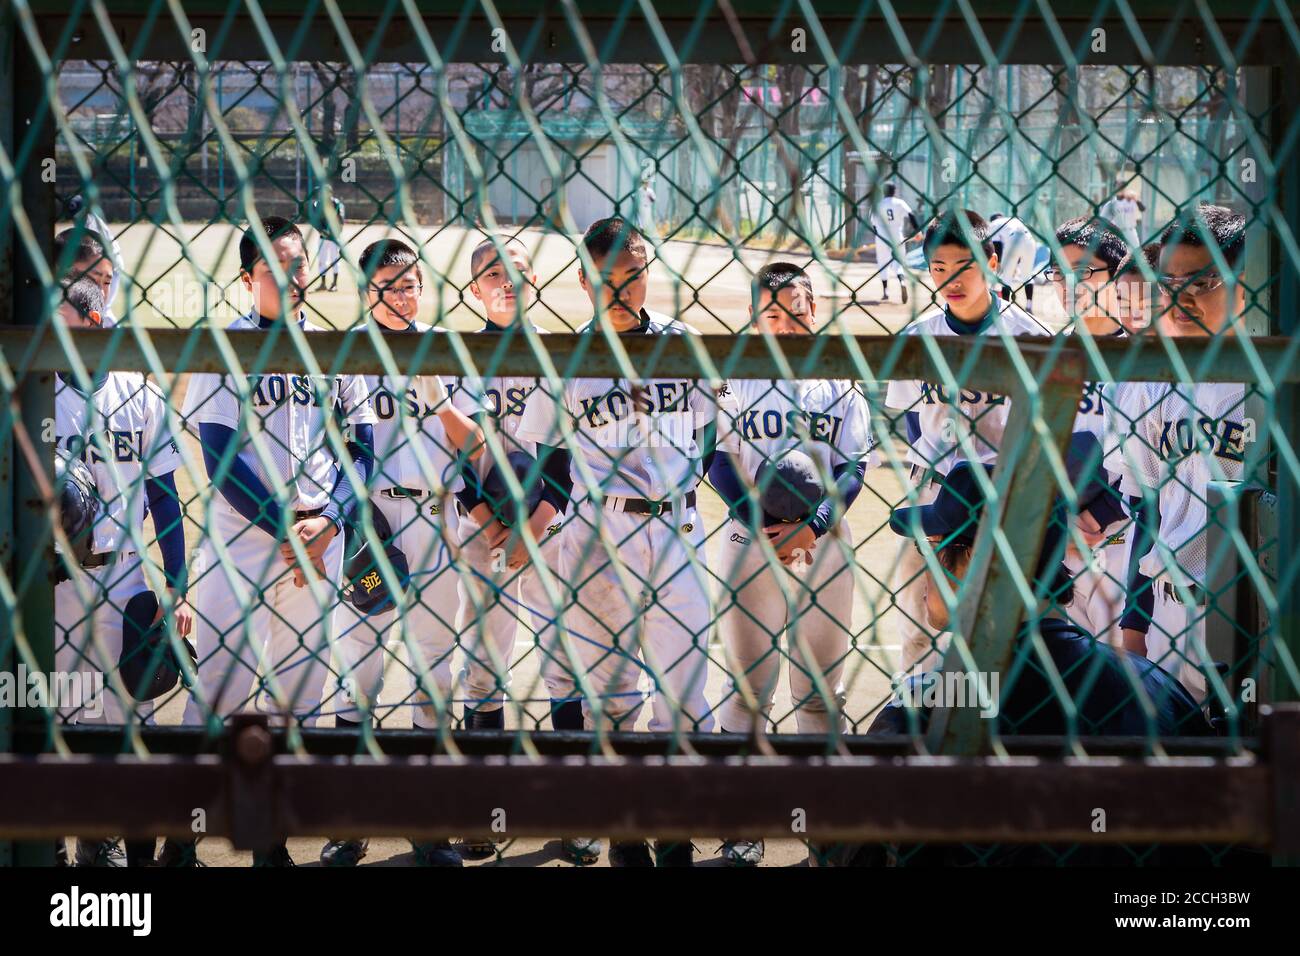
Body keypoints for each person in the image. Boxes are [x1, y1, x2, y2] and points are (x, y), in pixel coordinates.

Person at [514, 216, 716, 867]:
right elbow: (546, 457)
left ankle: (675, 832)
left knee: (684, 695)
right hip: (598, 536)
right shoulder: (568, 358)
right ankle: (628, 836)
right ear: (585, 279)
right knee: (613, 697)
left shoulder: (682, 343)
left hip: (679, 528)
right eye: (616, 274)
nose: (631, 284)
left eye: (640, 270)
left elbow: (710, 434)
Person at [179, 216, 376, 867]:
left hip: (322, 537)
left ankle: (271, 844)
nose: (293, 277)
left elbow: (362, 450)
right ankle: (180, 834)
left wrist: (331, 520)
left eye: (299, 263)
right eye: (275, 268)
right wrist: (287, 527)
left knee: (302, 698)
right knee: (220, 694)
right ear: (246, 279)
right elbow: (219, 456)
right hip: (241, 541)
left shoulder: (334, 347)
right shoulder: (224, 345)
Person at [320, 238, 484, 868]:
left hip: (437, 514)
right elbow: (333, 444)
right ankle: (348, 821)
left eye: (413, 282)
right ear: (368, 293)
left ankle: (428, 825)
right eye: (391, 284)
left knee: (435, 669)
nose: (405, 294)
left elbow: (473, 444)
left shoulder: (443, 343)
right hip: (370, 516)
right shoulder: (350, 352)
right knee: (357, 670)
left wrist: (437, 395)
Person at [707, 261, 876, 866]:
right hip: (748, 539)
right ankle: (743, 824)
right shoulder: (737, 373)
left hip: (823, 541)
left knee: (818, 689)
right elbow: (716, 457)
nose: (784, 323)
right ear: (755, 315)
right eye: (771, 313)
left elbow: (856, 466)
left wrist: (816, 523)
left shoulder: (839, 376)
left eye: (796, 311)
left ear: (816, 307)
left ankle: (821, 826)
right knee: (750, 689)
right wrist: (759, 521)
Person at [52, 278, 190, 866]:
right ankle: (51, 843)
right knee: (54, 713)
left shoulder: (139, 395)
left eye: (69, 324)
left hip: (127, 575)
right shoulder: (31, 392)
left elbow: (164, 495)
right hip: (51, 580)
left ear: (100, 323)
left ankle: (106, 840)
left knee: (128, 718)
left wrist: (177, 581)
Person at [885, 210, 1051, 672]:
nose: (949, 280)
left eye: (963, 266)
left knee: (996, 620)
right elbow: (913, 417)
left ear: (992, 262)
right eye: (938, 268)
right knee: (919, 618)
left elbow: (1042, 426)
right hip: (936, 487)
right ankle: (918, 720)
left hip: (1001, 490)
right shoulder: (919, 336)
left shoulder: (1030, 337)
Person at [1105, 203, 1250, 701]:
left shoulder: (1272, 382)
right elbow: (1146, 511)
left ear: (1241, 282)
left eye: (1202, 283)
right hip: (1170, 607)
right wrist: (1134, 621)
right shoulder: (1147, 385)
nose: (1180, 299)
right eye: (1167, 285)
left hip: (1256, 607)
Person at [869, 183, 919, 304]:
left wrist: (878, 235)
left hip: (881, 236)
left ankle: (886, 291)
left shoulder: (877, 204)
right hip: (897, 236)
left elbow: (873, 224)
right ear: (894, 191)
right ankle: (901, 281)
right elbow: (911, 215)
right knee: (899, 262)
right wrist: (918, 231)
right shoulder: (899, 203)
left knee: (882, 262)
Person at [987, 212, 1037, 312]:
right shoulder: (1012, 220)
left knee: (1006, 278)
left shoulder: (993, 224)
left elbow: (997, 245)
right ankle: (1029, 305)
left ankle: (1006, 305)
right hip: (1030, 241)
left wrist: (999, 264)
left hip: (1013, 240)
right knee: (1027, 276)